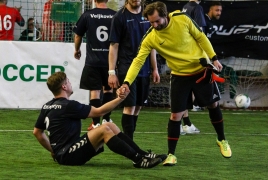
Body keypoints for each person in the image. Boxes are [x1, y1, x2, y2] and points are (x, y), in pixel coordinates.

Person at [120, 1, 232, 166]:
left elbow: (201, 37)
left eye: (157, 21)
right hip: (179, 76)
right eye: (151, 22)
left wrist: (213, 58)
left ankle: (222, 139)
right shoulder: (151, 36)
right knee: (175, 115)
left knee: (213, 104)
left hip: (200, 70)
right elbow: (138, 61)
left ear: (165, 15)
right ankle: (171, 154)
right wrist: (126, 83)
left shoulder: (182, 19)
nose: (154, 25)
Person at [33, 71, 167, 168]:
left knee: (109, 125)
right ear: (64, 87)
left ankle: (143, 155)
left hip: (65, 152)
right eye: (68, 81)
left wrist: (53, 150)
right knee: (104, 129)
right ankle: (138, 160)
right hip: (68, 155)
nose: (70, 83)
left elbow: (37, 132)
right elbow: (99, 111)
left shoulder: (47, 106)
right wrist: (120, 98)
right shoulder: (68, 105)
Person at [108, 0, 160, 140]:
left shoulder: (148, 16)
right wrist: (111, 72)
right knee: (130, 106)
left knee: (137, 106)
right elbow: (114, 46)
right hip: (127, 69)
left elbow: (152, 45)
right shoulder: (119, 17)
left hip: (144, 70)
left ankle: (129, 140)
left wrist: (155, 68)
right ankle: (129, 143)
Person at [73, 0, 116, 131]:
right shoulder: (115, 15)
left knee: (95, 92)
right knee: (109, 90)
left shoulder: (87, 15)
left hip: (93, 61)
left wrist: (77, 49)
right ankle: (107, 119)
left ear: (94, 1)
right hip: (110, 61)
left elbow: (78, 35)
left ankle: (96, 122)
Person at [204, 2, 238, 108]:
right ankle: (198, 103)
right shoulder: (203, 22)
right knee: (203, 79)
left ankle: (230, 99)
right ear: (210, 10)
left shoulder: (211, 22)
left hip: (211, 58)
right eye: (217, 10)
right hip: (202, 58)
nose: (219, 13)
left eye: (220, 11)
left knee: (228, 72)